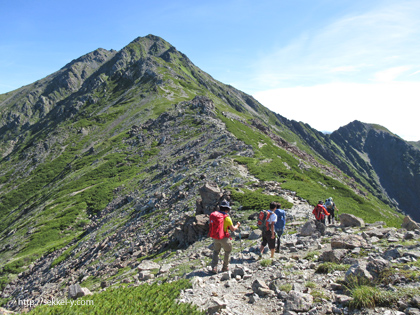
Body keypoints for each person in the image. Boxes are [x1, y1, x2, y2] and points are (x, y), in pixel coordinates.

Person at [210, 200, 241, 273]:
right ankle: (225, 267)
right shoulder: (227, 218)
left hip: (215, 237)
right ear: (227, 209)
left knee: (216, 251)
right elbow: (233, 229)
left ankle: (214, 267)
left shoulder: (215, 216)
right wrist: (238, 225)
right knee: (228, 251)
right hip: (224, 237)